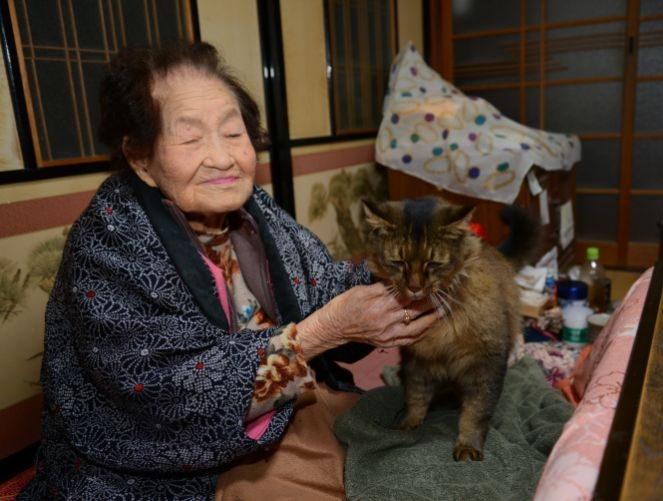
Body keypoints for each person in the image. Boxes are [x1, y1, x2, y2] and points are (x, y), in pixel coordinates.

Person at [18, 41, 440, 500]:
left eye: (233, 132)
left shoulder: (254, 208)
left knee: (430, 455)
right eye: (191, 137)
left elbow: (322, 283)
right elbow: (174, 395)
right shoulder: (109, 242)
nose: (222, 157)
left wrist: (396, 285)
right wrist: (323, 332)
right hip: (180, 458)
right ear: (141, 158)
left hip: (290, 404)